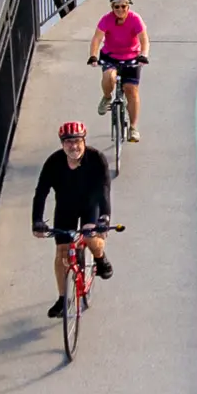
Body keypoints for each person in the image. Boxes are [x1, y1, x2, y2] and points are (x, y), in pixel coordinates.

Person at [33, 120, 113, 320]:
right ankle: (62, 299)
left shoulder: (96, 159)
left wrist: (104, 216)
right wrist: (37, 221)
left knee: (90, 238)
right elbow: (41, 192)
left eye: (77, 141)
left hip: (90, 205)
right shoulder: (53, 163)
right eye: (68, 142)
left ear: (84, 141)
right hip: (65, 207)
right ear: (62, 144)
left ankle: (100, 258)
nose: (73, 146)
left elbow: (104, 189)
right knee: (61, 252)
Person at [89, 0, 151, 144]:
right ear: (112, 7)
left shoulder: (135, 19)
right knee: (109, 76)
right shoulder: (106, 20)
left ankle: (133, 128)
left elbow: (144, 40)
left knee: (131, 91)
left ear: (128, 6)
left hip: (132, 57)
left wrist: (144, 55)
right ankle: (106, 97)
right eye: (117, 6)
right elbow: (97, 39)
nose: (120, 9)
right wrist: (93, 56)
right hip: (111, 57)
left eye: (124, 6)